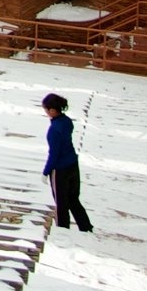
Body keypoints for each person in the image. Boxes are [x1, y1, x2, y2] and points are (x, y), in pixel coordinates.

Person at [42, 92, 94, 232]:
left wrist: (46, 171)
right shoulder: (67, 121)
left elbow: (54, 153)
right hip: (72, 164)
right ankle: (85, 226)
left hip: (60, 170)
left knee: (61, 203)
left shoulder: (54, 130)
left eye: (46, 109)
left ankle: (63, 230)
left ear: (52, 110)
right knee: (73, 199)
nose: (46, 112)